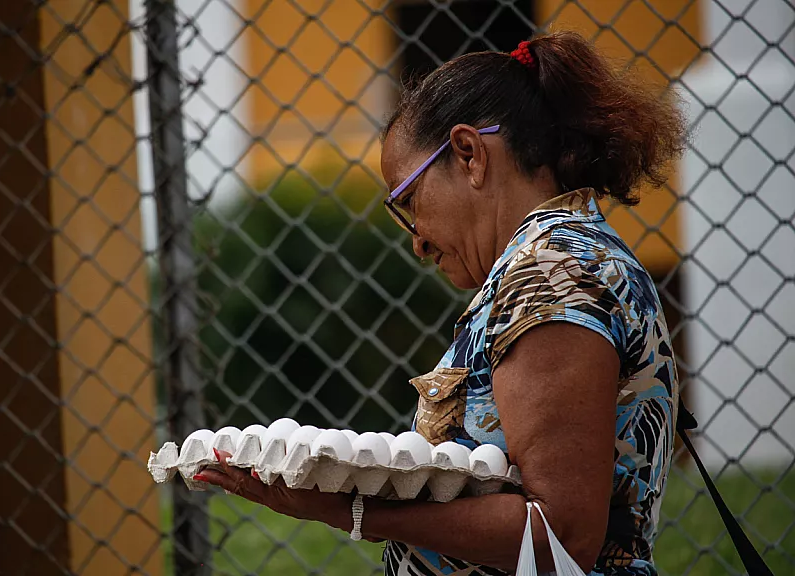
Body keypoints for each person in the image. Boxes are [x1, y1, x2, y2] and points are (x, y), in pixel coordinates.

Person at [197, 30, 686, 575]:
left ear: (469, 154)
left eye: (409, 202)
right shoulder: (562, 259)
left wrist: (353, 510)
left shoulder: (552, 272)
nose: (417, 240)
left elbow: (560, 536)